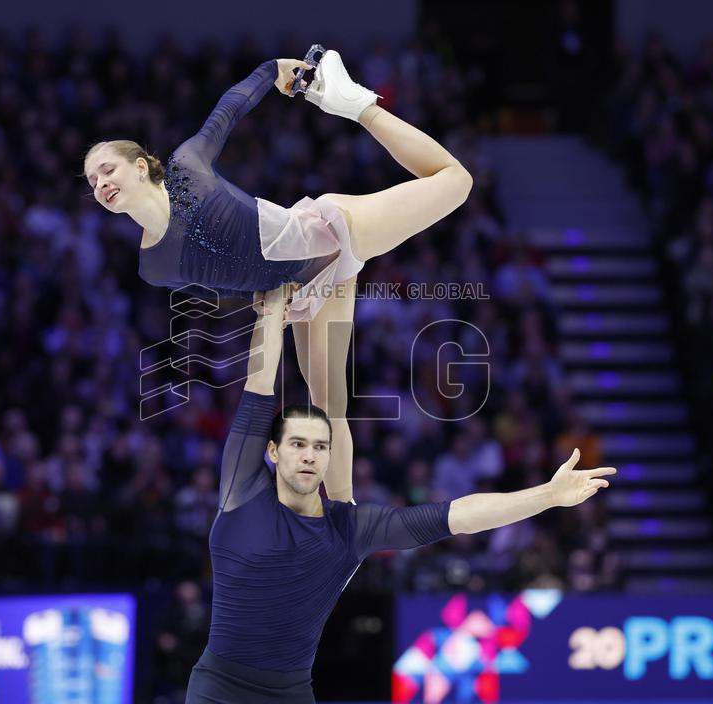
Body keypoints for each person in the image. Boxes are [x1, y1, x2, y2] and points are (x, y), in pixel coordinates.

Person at [184, 285, 617, 703]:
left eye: (320, 447)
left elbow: (457, 516)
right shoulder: (242, 489)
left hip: (289, 691)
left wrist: (546, 495)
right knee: (330, 401)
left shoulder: (350, 526)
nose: (310, 456)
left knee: (333, 405)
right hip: (218, 686)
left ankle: (340, 275)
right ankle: (332, 280)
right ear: (273, 451)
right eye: (298, 444)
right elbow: (258, 388)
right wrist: (271, 312)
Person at [83, 50, 474, 504]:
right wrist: (263, 298)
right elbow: (223, 279)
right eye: (91, 181)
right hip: (303, 291)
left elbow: (229, 108)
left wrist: (271, 70)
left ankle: (355, 105)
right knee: (329, 406)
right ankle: (343, 526)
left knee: (456, 181)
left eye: (106, 170)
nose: (100, 184)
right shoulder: (152, 267)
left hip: (325, 232)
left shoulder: (187, 165)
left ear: (139, 166)